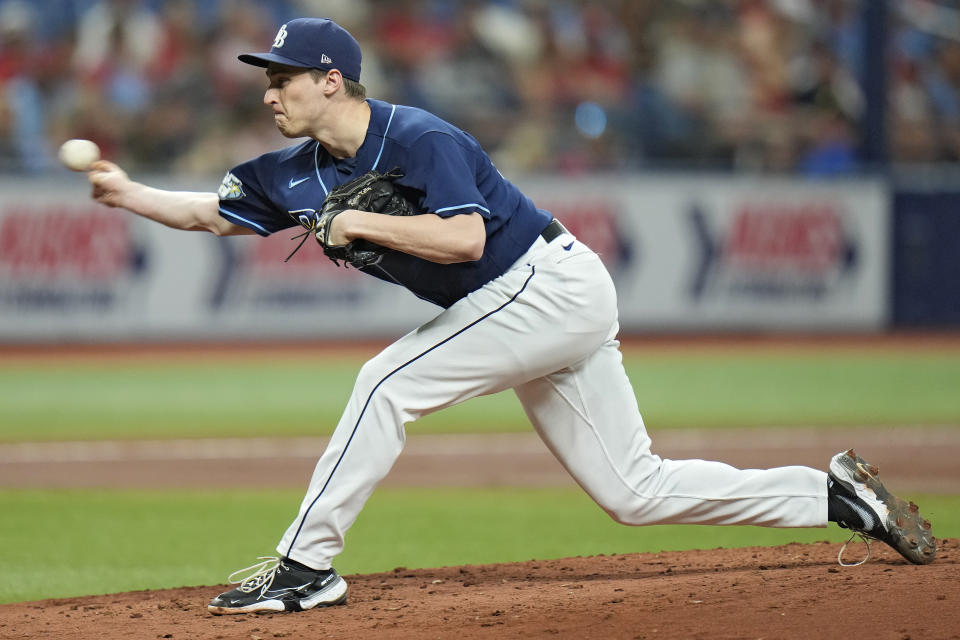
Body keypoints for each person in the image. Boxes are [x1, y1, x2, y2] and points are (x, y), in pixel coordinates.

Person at [87, 18, 937, 615]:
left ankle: (307, 567)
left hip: (544, 284)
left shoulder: (420, 137)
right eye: (265, 80)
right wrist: (127, 195)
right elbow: (209, 212)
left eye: (282, 78)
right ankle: (830, 496)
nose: (269, 92)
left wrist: (360, 222)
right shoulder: (291, 172)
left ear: (331, 79)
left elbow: (460, 241)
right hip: (521, 306)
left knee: (385, 381)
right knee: (632, 492)